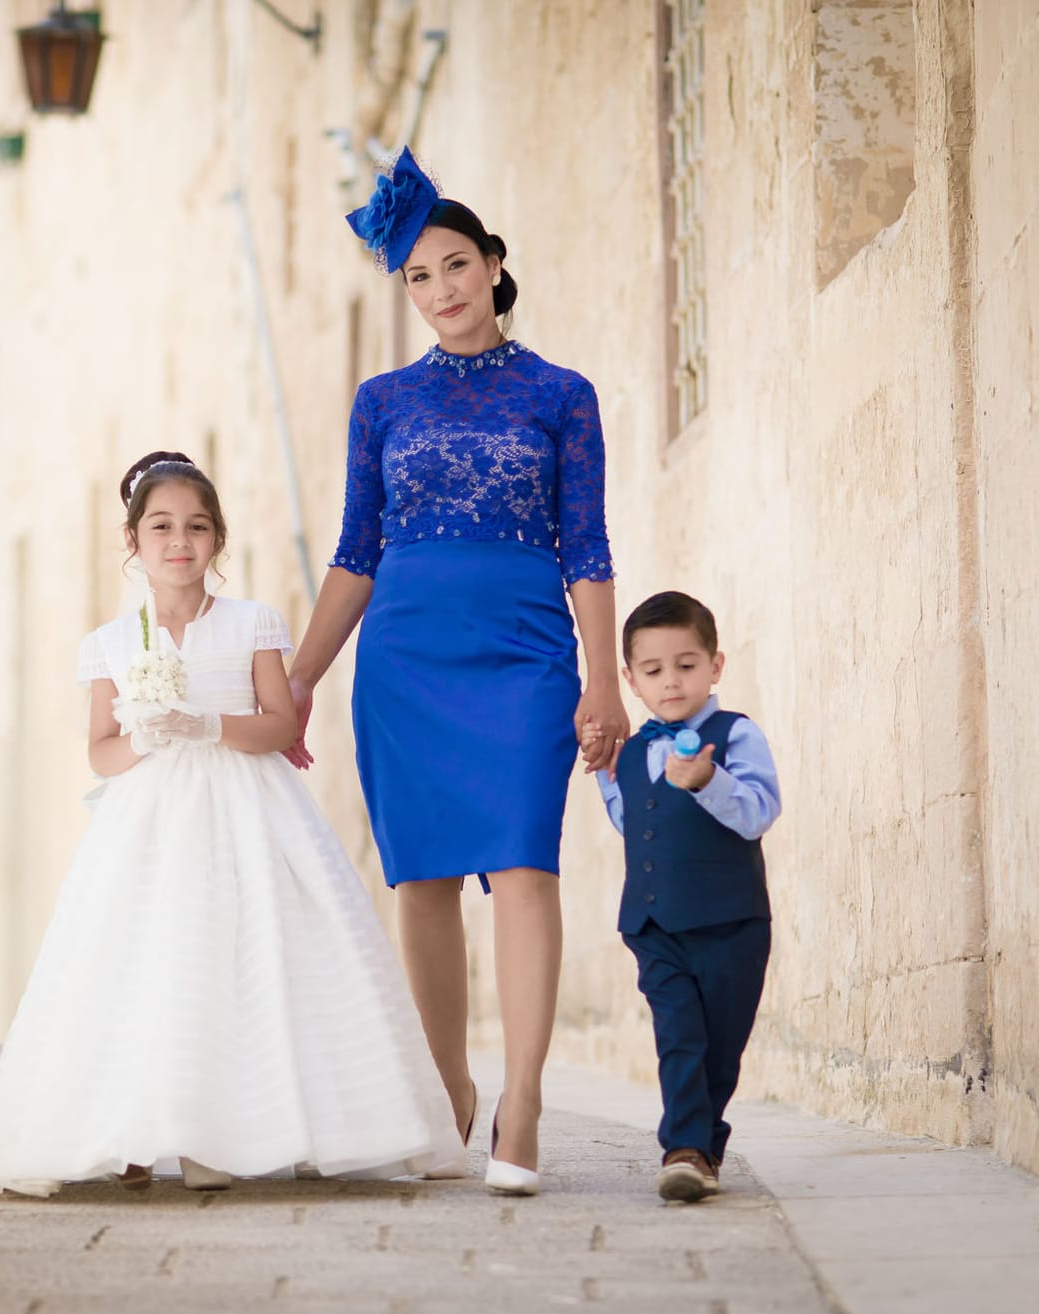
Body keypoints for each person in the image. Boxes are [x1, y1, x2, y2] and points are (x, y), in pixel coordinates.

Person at [0, 452, 461, 1197]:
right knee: (149, 961)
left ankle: (229, 1133)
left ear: (217, 540)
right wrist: (146, 737)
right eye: (161, 526)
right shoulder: (110, 642)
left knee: (247, 954)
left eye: (197, 527)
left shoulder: (252, 623)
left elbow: (279, 724)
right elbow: (100, 751)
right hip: (149, 823)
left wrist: (204, 724)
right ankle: (136, 1127)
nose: (179, 542)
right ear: (133, 540)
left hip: (248, 812)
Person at [285, 147, 633, 1196]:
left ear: (491, 264)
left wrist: (602, 678)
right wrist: (297, 680)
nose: (438, 291)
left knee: (526, 864)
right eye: (416, 277)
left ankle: (522, 1099)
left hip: (525, 652)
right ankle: (446, 1091)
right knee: (422, 881)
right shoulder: (379, 402)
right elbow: (354, 554)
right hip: (402, 659)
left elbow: (587, 547)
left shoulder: (562, 396)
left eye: (452, 266)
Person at [593, 591, 782, 1203]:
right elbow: (636, 823)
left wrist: (708, 781)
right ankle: (682, 1148)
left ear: (715, 666)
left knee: (720, 1049)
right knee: (680, 1035)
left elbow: (757, 813)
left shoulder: (735, 735)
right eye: (652, 672)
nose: (670, 682)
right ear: (631, 679)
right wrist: (605, 772)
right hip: (655, 924)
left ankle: (705, 1142)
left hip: (732, 923)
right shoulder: (632, 752)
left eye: (686, 665)